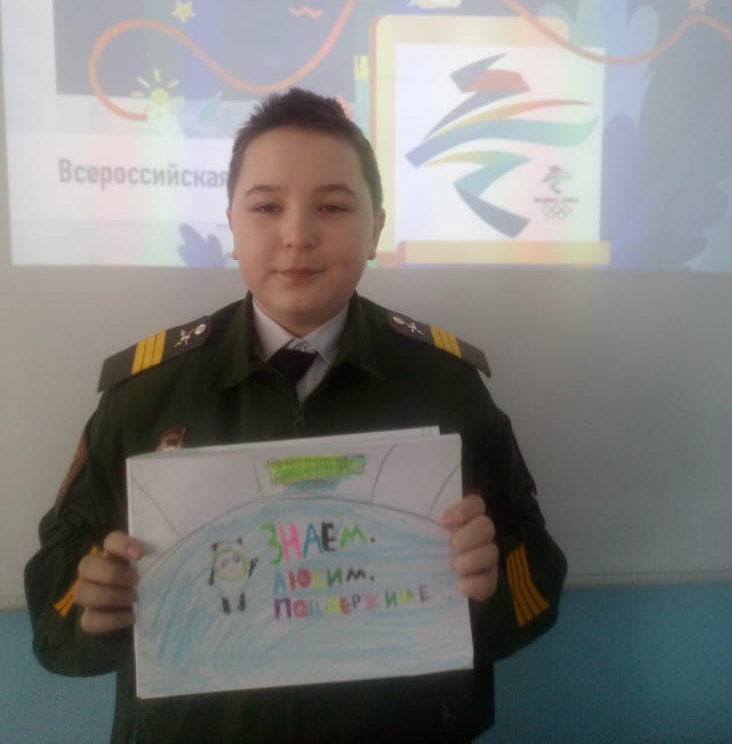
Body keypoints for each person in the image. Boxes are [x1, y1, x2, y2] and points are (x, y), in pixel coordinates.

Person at [25, 88, 567, 743]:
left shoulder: (446, 387)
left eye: (333, 206)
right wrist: (90, 606)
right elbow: (53, 591)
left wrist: (490, 582)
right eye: (266, 207)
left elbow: (537, 572)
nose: (297, 235)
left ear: (376, 228)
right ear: (231, 225)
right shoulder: (146, 394)